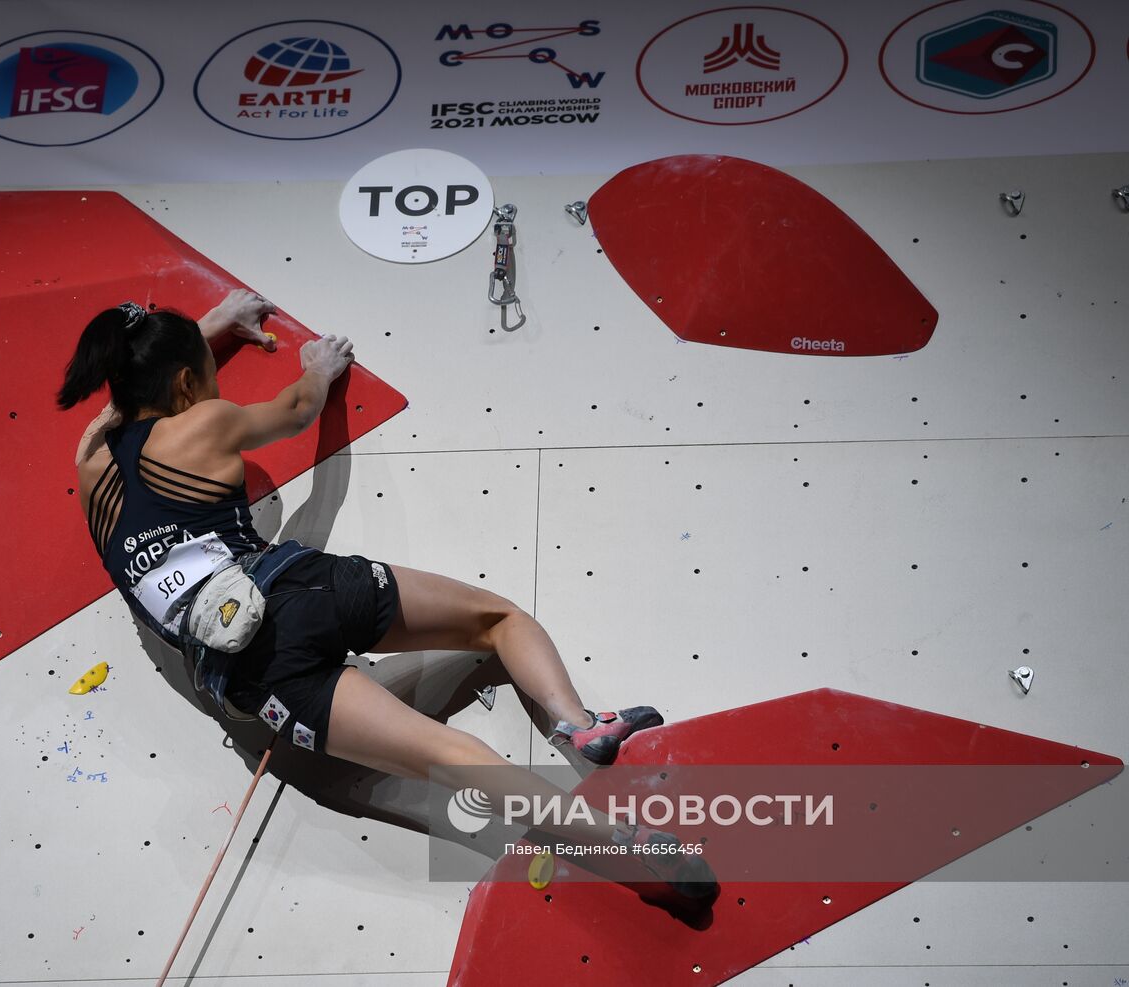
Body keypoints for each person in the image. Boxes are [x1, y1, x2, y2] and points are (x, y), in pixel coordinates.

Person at [58, 290, 715, 906]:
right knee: (499, 620)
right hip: (296, 592)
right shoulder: (204, 423)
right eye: (207, 375)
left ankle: (621, 845)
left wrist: (207, 330)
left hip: (250, 678)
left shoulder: (91, 466)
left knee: (449, 757)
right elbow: (297, 409)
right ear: (184, 385)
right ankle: (579, 721)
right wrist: (318, 365)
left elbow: (123, 402)